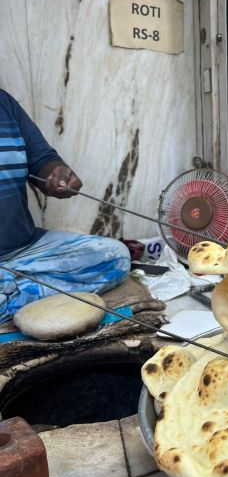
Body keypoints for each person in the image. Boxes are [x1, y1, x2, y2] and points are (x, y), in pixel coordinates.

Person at [0, 88, 131, 325]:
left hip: (25, 250)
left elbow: (42, 160)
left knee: (115, 256)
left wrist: (57, 174)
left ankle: (8, 288)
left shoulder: (4, 104)